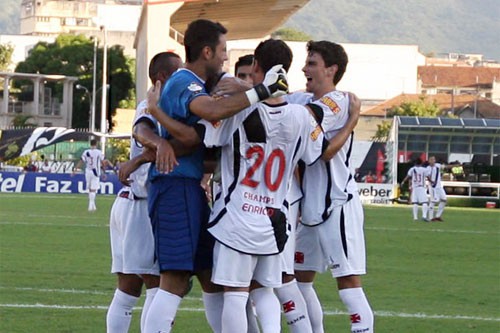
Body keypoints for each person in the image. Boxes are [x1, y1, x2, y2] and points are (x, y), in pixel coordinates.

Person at [135, 19, 288, 333]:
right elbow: (209, 116)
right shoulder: (183, 81)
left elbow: (197, 136)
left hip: (189, 186)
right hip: (174, 185)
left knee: (210, 276)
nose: (225, 58)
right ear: (206, 51)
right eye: (222, 51)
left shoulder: (196, 83)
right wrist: (261, 91)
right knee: (175, 280)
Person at [289, 40, 374, 333]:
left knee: (348, 283)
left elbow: (323, 151)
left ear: (332, 69)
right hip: (309, 208)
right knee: (298, 279)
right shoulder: (300, 100)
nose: (304, 68)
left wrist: (352, 121)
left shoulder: (339, 101)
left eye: (312, 63)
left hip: (337, 205)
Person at [105, 52, 182, 333]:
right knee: (157, 286)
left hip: (128, 202)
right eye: (178, 73)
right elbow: (143, 133)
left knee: (127, 290)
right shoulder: (151, 107)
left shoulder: (160, 107)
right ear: (162, 78)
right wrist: (158, 148)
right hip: (141, 203)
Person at [73, 139, 109, 211]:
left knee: (90, 188)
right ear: (96, 144)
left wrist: (75, 170)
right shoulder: (99, 152)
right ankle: (90, 205)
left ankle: (93, 205)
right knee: (93, 189)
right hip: (95, 171)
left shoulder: (86, 152)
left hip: (88, 171)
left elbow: (81, 161)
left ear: (90, 144)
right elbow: (103, 162)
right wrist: (104, 172)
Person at [401, 157, 429, 222]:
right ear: (421, 163)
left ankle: (415, 218)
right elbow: (428, 176)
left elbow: (408, 176)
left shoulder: (412, 169)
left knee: (415, 203)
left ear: (415, 163)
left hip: (415, 187)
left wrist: (403, 182)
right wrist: (432, 181)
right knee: (424, 202)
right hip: (421, 187)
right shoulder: (424, 169)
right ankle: (424, 216)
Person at [426, 156, 447, 221]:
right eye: (431, 159)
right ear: (429, 161)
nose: (433, 161)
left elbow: (446, 167)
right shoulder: (428, 168)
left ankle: (438, 216)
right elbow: (427, 176)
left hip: (439, 187)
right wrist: (431, 181)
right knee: (433, 201)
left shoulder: (438, 165)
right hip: (433, 187)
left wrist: (456, 165)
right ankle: (431, 217)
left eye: (434, 159)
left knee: (444, 200)